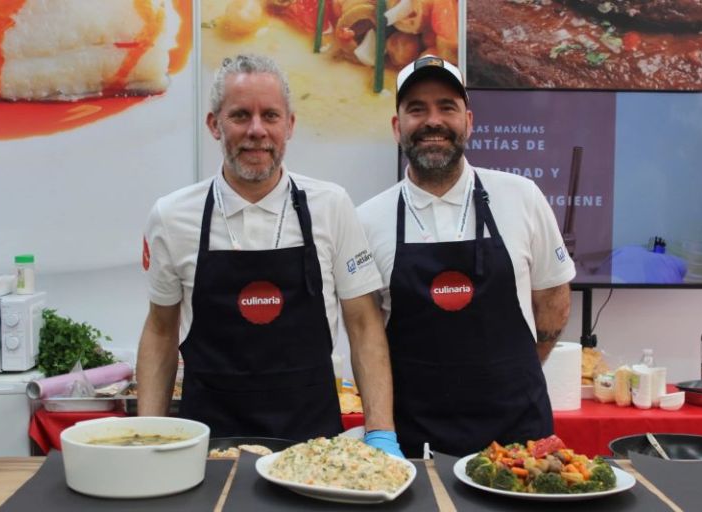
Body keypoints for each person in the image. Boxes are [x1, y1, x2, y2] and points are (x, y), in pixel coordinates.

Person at [136, 54, 401, 456]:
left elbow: (364, 324)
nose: (257, 130)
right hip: (208, 447)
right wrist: (148, 438)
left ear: (289, 125)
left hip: (314, 449)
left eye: (270, 116)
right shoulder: (172, 217)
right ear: (214, 124)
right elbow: (160, 331)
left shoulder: (331, 205)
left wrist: (381, 431)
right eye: (240, 115)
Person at [358, 55, 576, 457]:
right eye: (417, 109)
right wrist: (381, 433)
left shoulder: (521, 197)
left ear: (469, 121)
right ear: (397, 127)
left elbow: (553, 301)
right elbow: (366, 335)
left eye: (447, 107)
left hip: (517, 441)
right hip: (415, 442)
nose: (433, 121)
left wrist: (509, 375)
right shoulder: (367, 220)